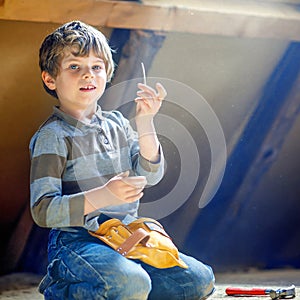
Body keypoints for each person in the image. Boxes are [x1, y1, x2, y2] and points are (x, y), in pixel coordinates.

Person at [29, 20, 215, 299]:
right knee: (131, 283)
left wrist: (145, 122)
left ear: (108, 73)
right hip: (76, 242)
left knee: (199, 280)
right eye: (74, 67)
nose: (87, 75)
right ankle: (61, 287)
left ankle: (128, 287)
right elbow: (43, 210)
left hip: (125, 237)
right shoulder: (53, 136)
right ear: (50, 79)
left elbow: (150, 174)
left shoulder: (117, 123)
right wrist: (103, 196)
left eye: (96, 67)